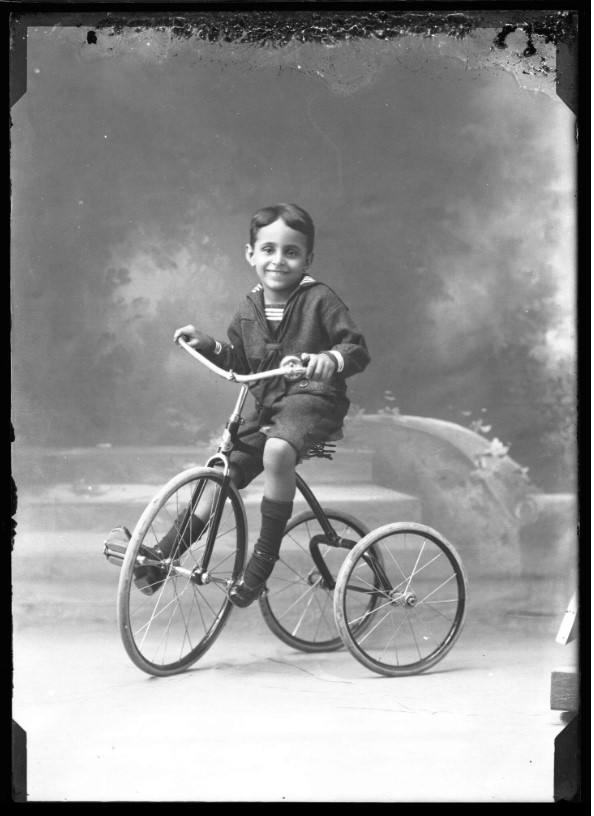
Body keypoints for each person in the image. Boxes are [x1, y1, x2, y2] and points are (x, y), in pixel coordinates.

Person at [138, 203, 370, 606]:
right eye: (268, 250)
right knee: (221, 468)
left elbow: (356, 349)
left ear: (307, 259)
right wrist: (208, 344)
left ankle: (261, 562)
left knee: (278, 451)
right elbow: (242, 364)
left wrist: (329, 360)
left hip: (314, 402)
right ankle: (165, 555)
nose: (278, 261)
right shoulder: (249, 308)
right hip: (269, 409)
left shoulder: (320, 300)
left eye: (291, 252)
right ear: (251, 255)